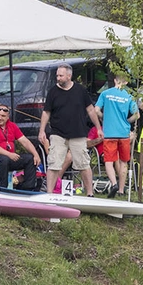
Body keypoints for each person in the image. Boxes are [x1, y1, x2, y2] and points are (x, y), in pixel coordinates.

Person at [39, 63, 101, 196]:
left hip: (78, 133)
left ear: (69, 76)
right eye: (57, 75)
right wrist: (42, 130)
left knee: (83, 164)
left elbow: (90, 110)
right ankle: (49, 194)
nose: (58, 78)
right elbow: (46, 113)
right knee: (54, 163)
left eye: (61, 75)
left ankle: (90, 193)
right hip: (58, 133)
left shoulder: (80, 90)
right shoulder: (53, 92)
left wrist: (98, 127)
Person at [96, 72, 138, 198]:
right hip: (124, 133)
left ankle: (113, 183)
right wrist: (127, 121)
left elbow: (96, 110)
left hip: (110, 133)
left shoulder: (105, 94)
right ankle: (120, 189)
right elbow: (137, 115)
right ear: (125, 82)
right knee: (124, 161)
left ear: (115, 80)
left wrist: (104, 117)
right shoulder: (129, 97)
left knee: (109, 161)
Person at [0, 104, 42, 191]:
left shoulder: (12, 126)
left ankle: (28, 188)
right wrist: (9, 154)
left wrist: (36, 154)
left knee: (30, 158)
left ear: (7, 117)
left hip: (8, 158)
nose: (0, 118)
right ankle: (2, 189)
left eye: (3, 116)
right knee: (3, 159)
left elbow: (25, 141)